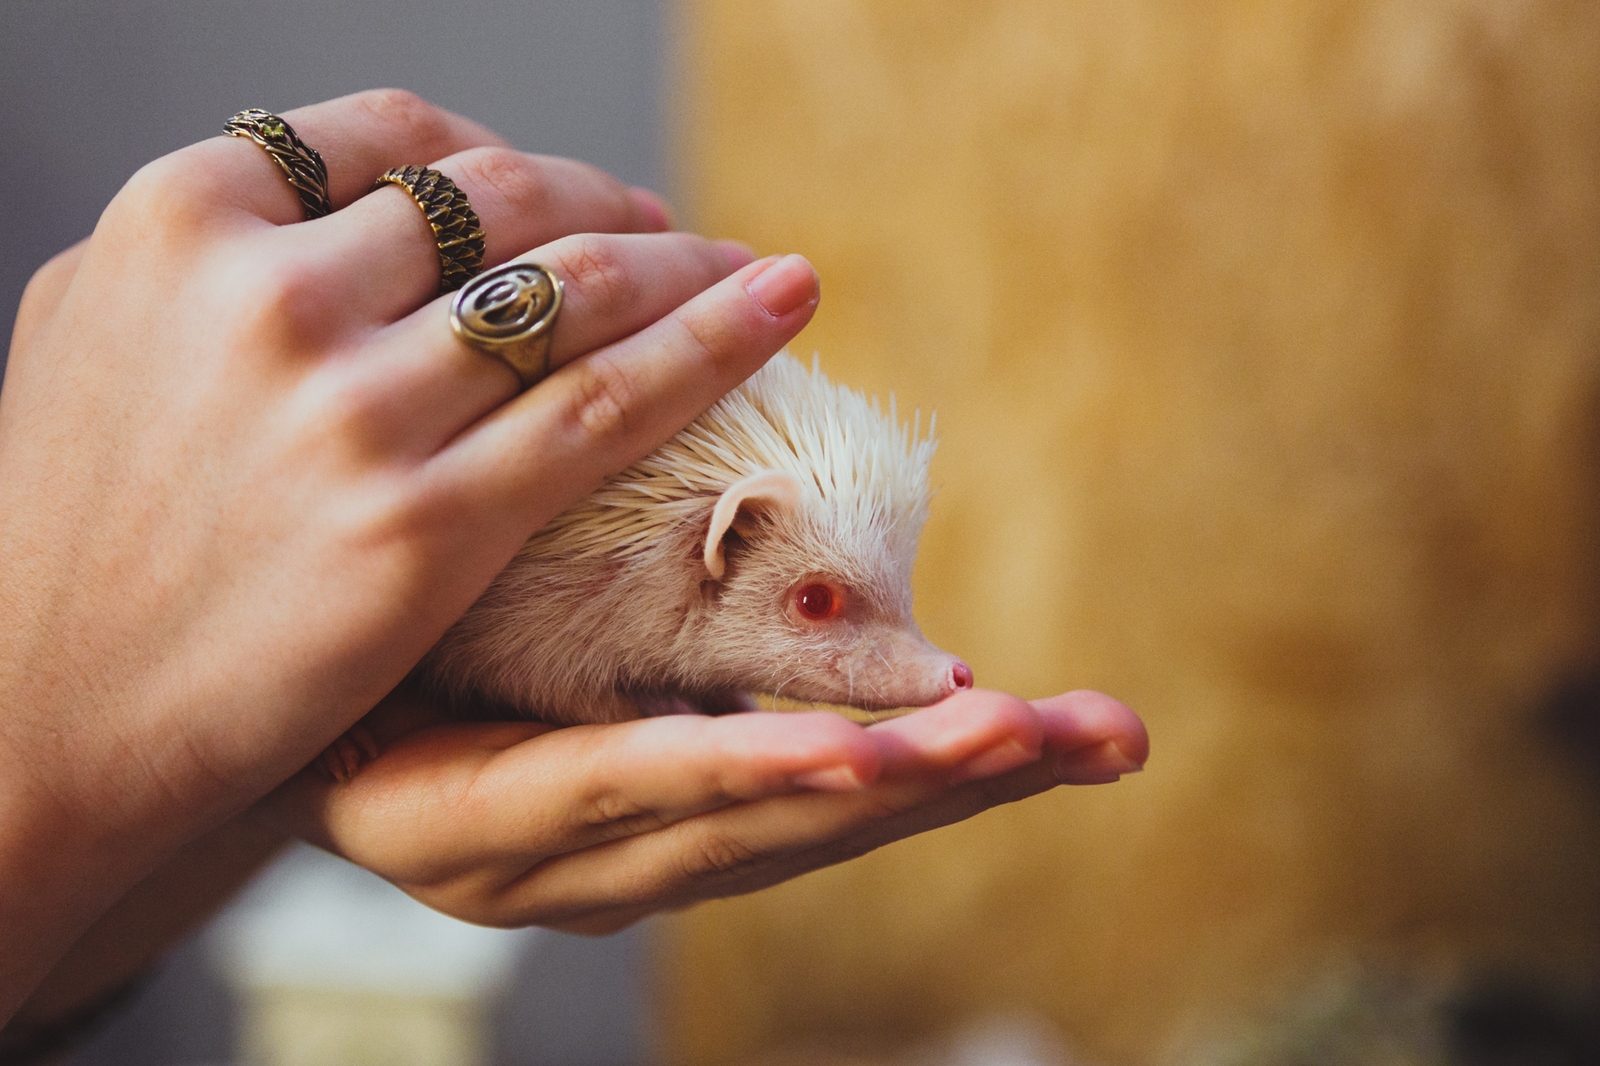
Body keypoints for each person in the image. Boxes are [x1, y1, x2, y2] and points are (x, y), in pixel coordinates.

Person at [0, 89, 1147, 1056]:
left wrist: (198, 785)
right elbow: (510, 647)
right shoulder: (592, 590)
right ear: (723, 539)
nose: (907, 663)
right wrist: (44, 753)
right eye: (817, 603)